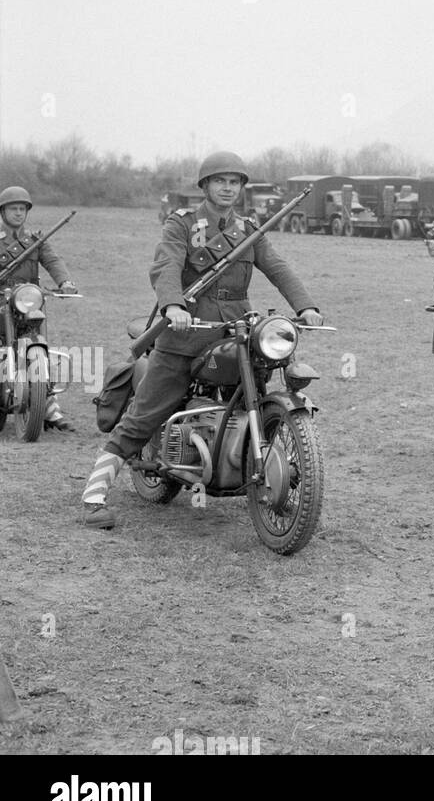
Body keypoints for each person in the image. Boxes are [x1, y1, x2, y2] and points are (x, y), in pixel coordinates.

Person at [80, 151, 323, 529]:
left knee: (256, 393)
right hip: (187, 332)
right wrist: (174, 307)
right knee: (144, 415)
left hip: (236, 330)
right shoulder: (182, 223)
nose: (228, 188)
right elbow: (167, 265)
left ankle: (260, 479)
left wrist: (305, 306)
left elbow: (276, 266)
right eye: (220, 181)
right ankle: (94, 495)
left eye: (235, 182)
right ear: (205, 186)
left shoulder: (248, 229)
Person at [0, 185, 79, 431]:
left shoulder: (36, 241)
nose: (18, 213)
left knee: (39, 346)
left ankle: (47, 406)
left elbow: (53, 260)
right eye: (13, 208)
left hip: (28, 302)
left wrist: (65, 282)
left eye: (22, 209)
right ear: (3, 212)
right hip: (1, 302)